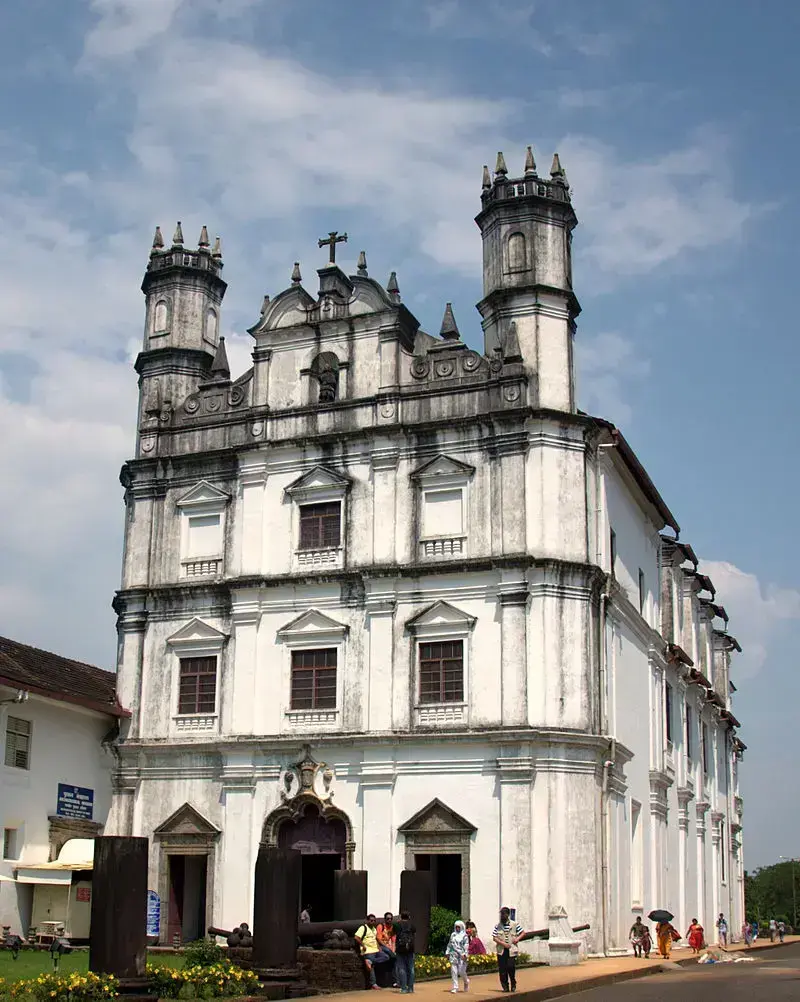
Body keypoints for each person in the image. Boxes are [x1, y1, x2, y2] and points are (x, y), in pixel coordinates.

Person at [492, 907, 525, 993]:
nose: (502, 916)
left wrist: (517, 939)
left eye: (503, 914)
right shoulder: (498, 926)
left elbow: (523, 933)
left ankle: (513, 983)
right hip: (501, 950)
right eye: (501, 914)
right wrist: (503, 944)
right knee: (502, 969)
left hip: (511, 950)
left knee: (511, 967)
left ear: (507, 915)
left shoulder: (514, 924)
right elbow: (494, 938)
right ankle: (505, 986)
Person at [355, 914, 390, 990]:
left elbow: (375, 939)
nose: (373, 922)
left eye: (374, 921)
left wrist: (379, 947)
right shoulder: (363, 928)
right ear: (367, 921)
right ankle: (373, 984)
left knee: (386, 957)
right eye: (371, 920)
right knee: (372, 967)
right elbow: (356, 937)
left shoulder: (374, 929)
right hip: (368, 950)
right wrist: (363, 946)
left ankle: (370, 961)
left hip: (375, 949)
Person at [394, 910, 416, 994]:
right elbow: (414, 934)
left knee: (401, 968)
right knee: (411, 968)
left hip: (400, 948)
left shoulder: (397, 925)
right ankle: (410, 988)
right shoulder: (412, 925)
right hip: (410, 949)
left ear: (401, 917)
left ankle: (403, 988)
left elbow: (393, 933)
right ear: (409, 917)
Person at [446, 920, 470, 994]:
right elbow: (450, 944)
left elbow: (466, 945)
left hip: (462, 955)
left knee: (461, 971)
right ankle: (455, 987)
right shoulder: (453, 935)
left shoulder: (464, 936)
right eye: (456, 927)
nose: (457, 928)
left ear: (461, 927)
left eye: (458, 927)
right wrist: (447, 952)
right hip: (453, 955)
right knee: (454, 972)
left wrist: (465, 954)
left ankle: (466, 981)